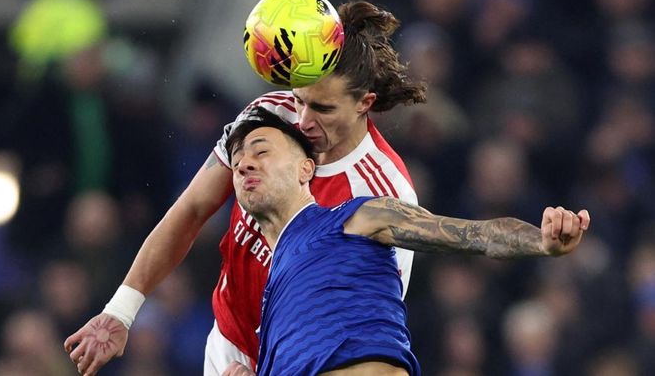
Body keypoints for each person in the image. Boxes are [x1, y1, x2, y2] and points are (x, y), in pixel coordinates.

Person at [64, 0, 427, 376]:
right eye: (299, 99)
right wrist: (120, 311)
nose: (303, 120)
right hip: (229, 344)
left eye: (323, 108)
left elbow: (362, 333)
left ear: (365, 103)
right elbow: (192, 210)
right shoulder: (267, 116)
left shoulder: (384, 193)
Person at [220, 108, 590, 376]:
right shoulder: (270, 298)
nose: (245, 164)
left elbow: (474, 235)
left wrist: (540, 242)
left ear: (306, 168)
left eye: (261, 151)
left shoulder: (356, 217)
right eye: (237, 161)